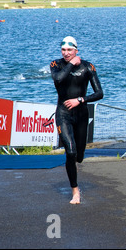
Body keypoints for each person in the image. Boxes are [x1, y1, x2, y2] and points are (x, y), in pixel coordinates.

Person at [50, 36, 103, 204]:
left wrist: (80, 100)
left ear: (76, 50)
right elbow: (58, 79)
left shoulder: (88, 66)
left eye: (70, 50)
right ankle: (75, 191)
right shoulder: (56, 65)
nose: (66, 53)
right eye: (64, 50)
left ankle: (77, 161)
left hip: (81, 114)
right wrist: (72, 63)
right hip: (63, 114)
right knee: (70, 152)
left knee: (79, 156)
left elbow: (99, 93)